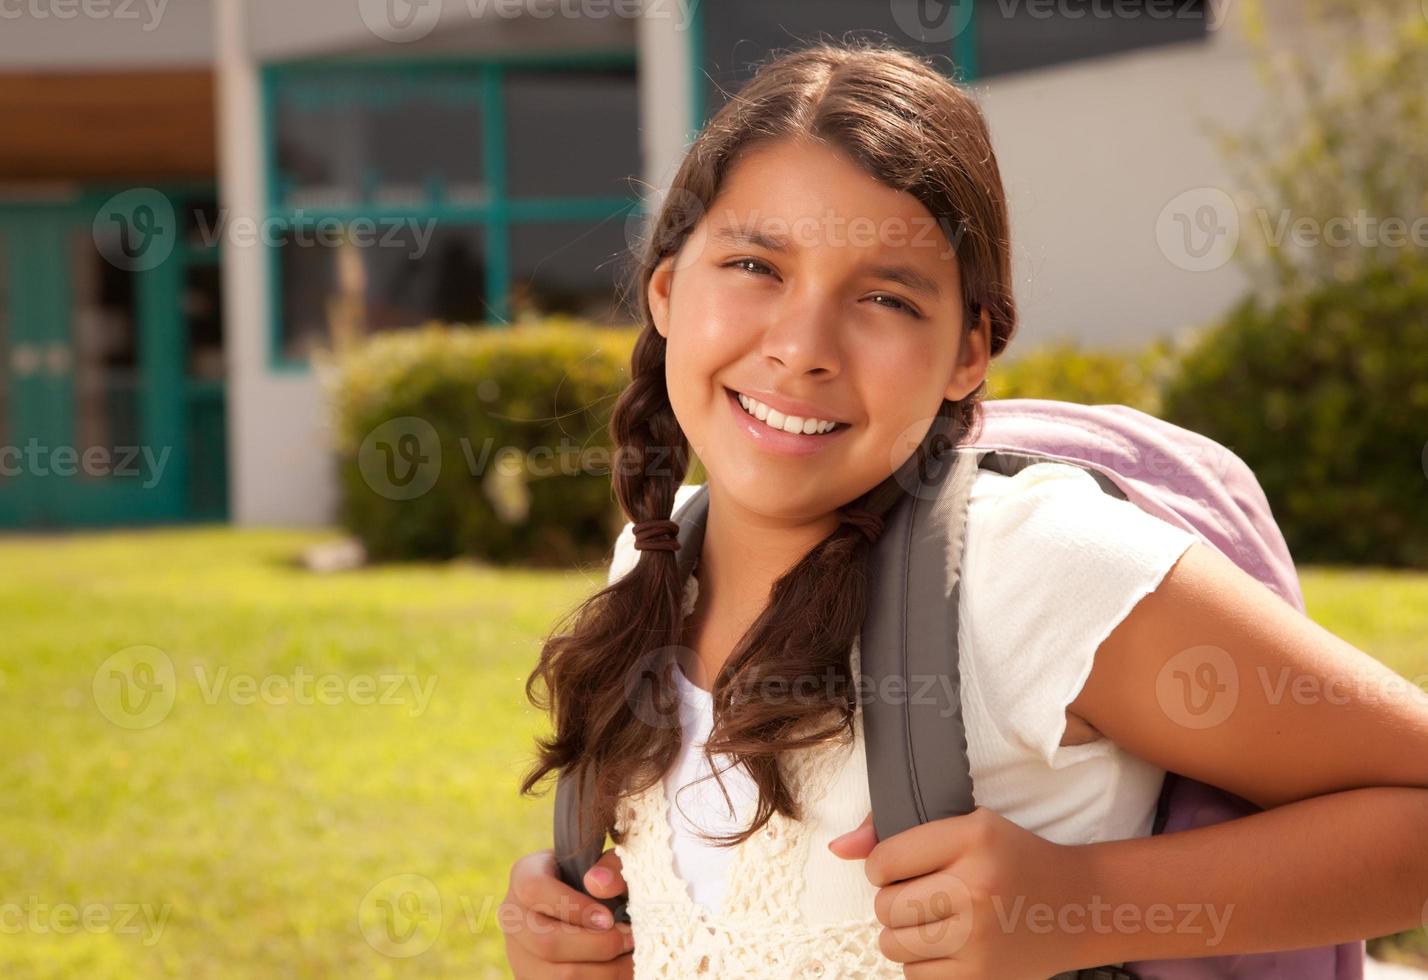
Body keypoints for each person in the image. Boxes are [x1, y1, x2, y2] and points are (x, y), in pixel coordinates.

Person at [500, 39, 1428, 980]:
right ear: (666, 289)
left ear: (968, 355)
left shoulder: (1029, 568)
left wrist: (1084, 905)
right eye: (754, 265)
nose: (802, 347)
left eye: (886, 297)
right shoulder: (652, 562)